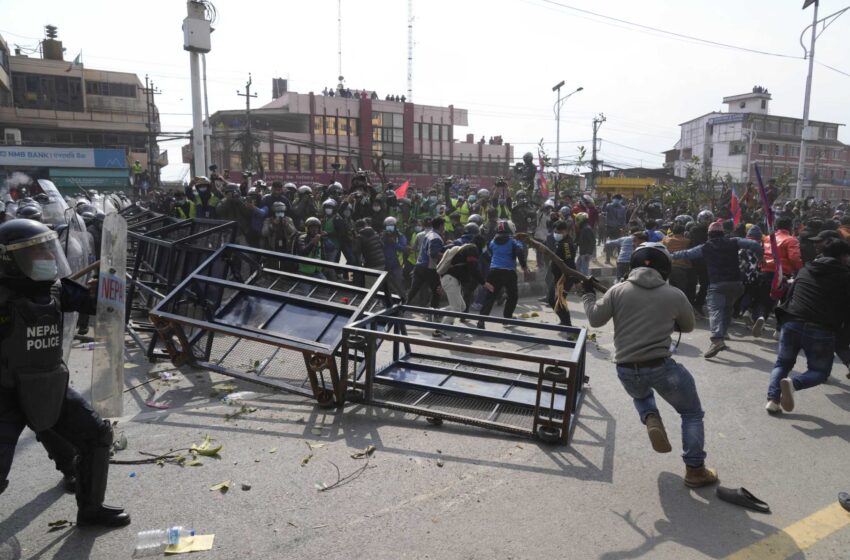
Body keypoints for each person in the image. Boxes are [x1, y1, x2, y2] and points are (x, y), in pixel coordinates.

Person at [0, 219, 131, 526]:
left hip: (49, 387)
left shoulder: (56, 290)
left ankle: (91, 508)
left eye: (48, 250)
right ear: (10, 261)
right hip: (4, 396)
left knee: (97, 435)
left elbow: (97, 305)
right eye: (35, 254)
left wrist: (115, 288)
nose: (46, 259)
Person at [581, 242, 718, 488]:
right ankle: (695, 470)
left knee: (642, 395)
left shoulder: (617, 291)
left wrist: (588, 294)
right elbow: (687, 326)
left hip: (626, 369)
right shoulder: (674, 294)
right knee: (691, 413)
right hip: (661, 367)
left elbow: (594, 318)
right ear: (665, 268)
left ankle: (650, 416)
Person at [766, 238, 850, 413]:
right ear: (843, 257)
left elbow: (790, 293)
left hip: (791, 322)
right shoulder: (845, 276)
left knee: (782, 364)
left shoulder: (805, 269)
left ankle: (773, 401)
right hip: (821, 328)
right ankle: (793, 384)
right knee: (819, 372)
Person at [671, 220, 763, 358]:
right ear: (722, 233)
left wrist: (668, 255)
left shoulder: (706, 247)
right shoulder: (734, 241)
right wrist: (761, 257)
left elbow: (686, 254)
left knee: (715, 311)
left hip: (718, 285)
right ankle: (723, 333)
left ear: (709, 235)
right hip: (737, 285)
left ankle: (717, 339)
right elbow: (755, 244)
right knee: (727, 308)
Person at [752, 216, 803, 337]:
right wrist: (801, 269)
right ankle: (778, 329)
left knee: (766, 299)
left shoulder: (768, 238)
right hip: (782, 274)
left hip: (765, 271)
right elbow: (794, 258)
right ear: (790, 227)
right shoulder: (792, 240)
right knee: (784, 302)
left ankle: (762, 317)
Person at [476, 221, 528, 329]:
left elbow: (486, 253)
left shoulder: (493, 241)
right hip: (509, 272)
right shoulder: (513, 241)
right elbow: (519, 250)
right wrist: (523, 265)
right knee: (512, 296)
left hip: (494, 271)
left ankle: (481, 321)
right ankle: (507, 319)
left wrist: (493, 263)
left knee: (490, 297)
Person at [406, 217, 446, 310]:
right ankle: (434, 312)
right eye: (443, 225)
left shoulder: (428, 234)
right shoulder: (435, 237)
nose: (444, 227)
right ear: (440, 226)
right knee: (436, 291)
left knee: (413, 290)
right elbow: (433, 254)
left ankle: (402, 307)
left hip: (419, 266)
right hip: (430, 269)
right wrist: (448, 255)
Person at [546, 220, 577, 326]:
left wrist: (575, 280)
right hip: (557, 277)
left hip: (564, 278)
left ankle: (567, 324)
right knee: (553, 299)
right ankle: (564, 321)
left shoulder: (566, 245)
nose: (556, 234)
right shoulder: (561, 242)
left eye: (557, 232)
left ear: (565, 231)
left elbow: (570, 263)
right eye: (555, 232)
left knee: (558, 300)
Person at [662, 223, 695, 304]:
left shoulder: (666, 240)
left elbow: (662, 241)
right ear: (683, 232)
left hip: (670, 268)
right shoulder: (687, 241)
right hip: (682, 268)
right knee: (681, 291)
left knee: (672, 289)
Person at [575, 212, 595, 277]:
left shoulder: (586, 229)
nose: (576, 222)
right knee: (577, 268)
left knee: (584, 271)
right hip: (582, 253)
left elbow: (592, 241)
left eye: (577, 220)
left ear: (581, 221)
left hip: (585, 253)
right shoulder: (583, 228)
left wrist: (588, 253)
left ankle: (586, 284)